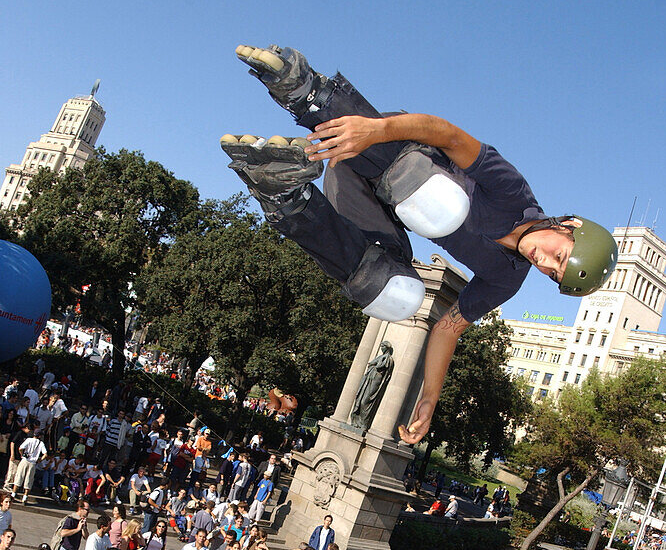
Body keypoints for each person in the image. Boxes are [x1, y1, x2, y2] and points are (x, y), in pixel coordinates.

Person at [223, 43, 618, 447]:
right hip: (388, 146)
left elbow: (448, 329)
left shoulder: (505, 279)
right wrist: (375, 128)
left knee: (397, 293)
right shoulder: (512, 192)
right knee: (440, 205)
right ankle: (304, 91)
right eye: (559, 255)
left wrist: (429, 400)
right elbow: (446, 134)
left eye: (552, 272)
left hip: (368, 202)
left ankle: (287, 199)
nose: (544, 261)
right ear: (569, 226)